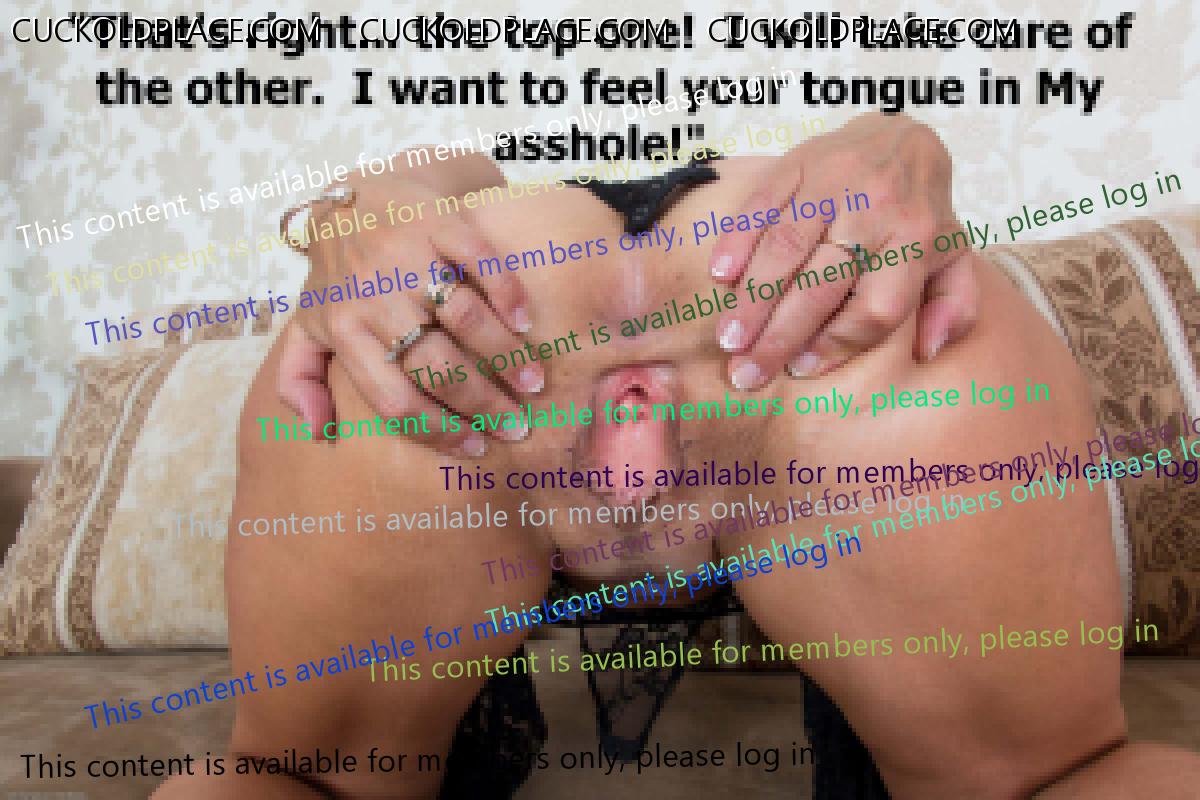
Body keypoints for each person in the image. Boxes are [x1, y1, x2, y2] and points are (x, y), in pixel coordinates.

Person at [155, 113, 1200, 799]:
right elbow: (443, 170)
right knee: (1056, 777)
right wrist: (902, 140)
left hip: (471, 330)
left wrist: (355, 207)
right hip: (813, 315)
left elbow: (447, 169)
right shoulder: (808, 194)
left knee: (301, 780)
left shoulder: (495, 209)